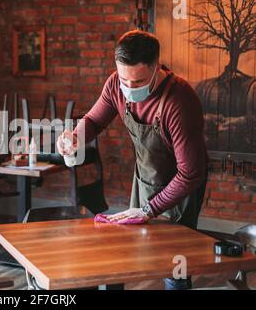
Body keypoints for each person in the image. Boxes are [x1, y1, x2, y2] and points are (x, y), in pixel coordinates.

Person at [57, 30, 208, 290]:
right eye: (124, 79)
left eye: (138, 82)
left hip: (180, 189)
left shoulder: (179, 101)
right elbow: (93, 120)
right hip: (146, 178)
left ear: (156, 67)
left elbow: (190, 174)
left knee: (173, 265)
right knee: (126, 250)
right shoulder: (116, 84)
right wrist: (74, 137)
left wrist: (149, 209)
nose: (128, 88)